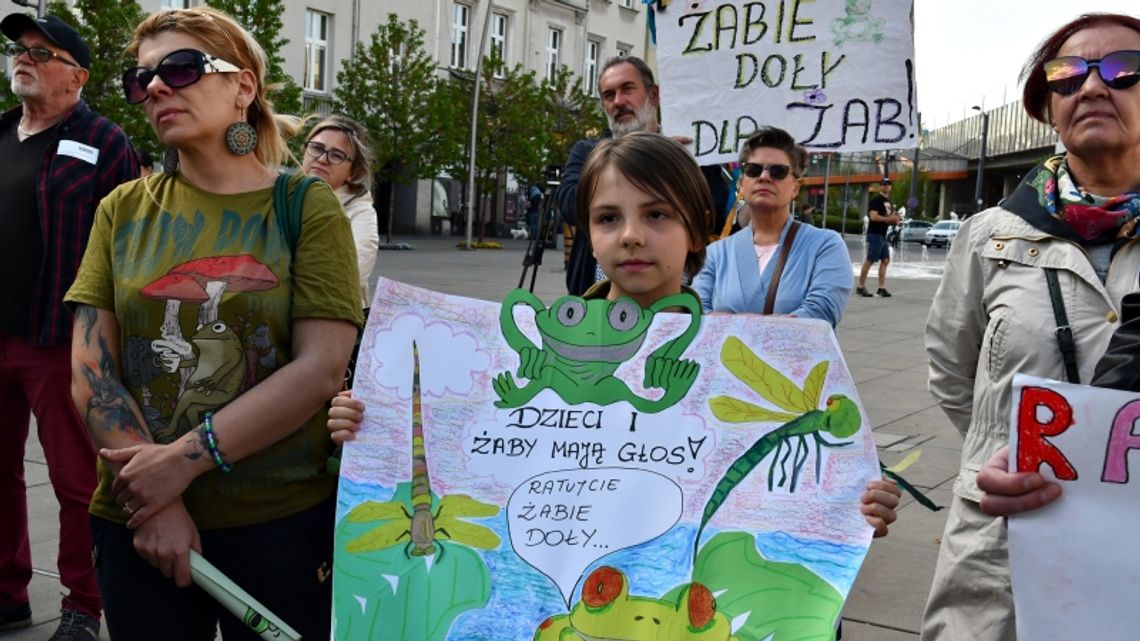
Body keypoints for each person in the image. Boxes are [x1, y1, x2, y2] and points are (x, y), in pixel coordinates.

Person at [330, 133, 900, 538]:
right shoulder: (535, 347)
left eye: (657, 215)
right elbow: (473, 456)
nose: (630, 236)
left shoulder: (743, 360)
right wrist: (375, 423)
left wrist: (852, 501)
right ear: (587, 234)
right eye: (607, 218)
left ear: (699, 229)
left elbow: (789, 486)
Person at [64, 7, 362, 640]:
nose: (155, 87)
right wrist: (157, 497)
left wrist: (183, 462)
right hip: (136, 521)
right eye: (139, 78)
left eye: (180, 67)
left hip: (276, 519)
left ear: (244, 88)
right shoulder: (121, 209)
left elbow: (321, 367)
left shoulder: (304, 206)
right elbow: (92, 369)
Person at [922, 13, 1140, 641]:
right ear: (1048, 105)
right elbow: (949, 370)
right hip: (998, 536)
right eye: (1068, 76)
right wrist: (1006, 446)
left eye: (1123, 70)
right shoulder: (988, 235)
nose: (1092, 88)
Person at [0, 12, 138, 640]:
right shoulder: (1, 133)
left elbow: (131, 253)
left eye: (41, 51)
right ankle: (8, 593)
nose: (23, 57)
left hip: (61, 341)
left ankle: (85, 603)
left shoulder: (106, 143)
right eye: (19, 49)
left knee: (78, 482)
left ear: (77, 75)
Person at [556, 55, 728, 295]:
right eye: (609, 95)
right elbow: (569, 204)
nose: (618, 101)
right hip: (600, 303)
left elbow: (717, 212)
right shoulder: (587, 152)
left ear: (654, 95)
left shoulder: (689, 152)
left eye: (627, 89)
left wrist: (669, 159)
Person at [692, 127, 852, 327]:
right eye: (754, 170)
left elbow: (821, 313)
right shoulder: (715, 254)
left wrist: (729, 322)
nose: (764, 177)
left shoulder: (825, 245)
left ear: (795, 187)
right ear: (742, 183)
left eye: (778, 171)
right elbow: (697, 317)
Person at [301, 114, 378, 312]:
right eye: (316, 148)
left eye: (336, 155)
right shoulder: (283, 197)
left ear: (353, 172)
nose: (322, 159)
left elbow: (351, 273)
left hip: (330, 318)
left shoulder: (360, 212)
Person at [855, 177, 899, 298]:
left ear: (891, 187)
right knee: (870, 259)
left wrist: (895, 220)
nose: (886, 186)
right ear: (880, 186)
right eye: (884, 184)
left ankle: (881, 288)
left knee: (885, 260)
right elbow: (873, 217)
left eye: (888, 184)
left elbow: (887, 218)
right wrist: (889, 219)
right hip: (875, 234)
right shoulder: (876, 200)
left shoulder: (888, 201)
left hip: (882, 234)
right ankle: (860, 286)